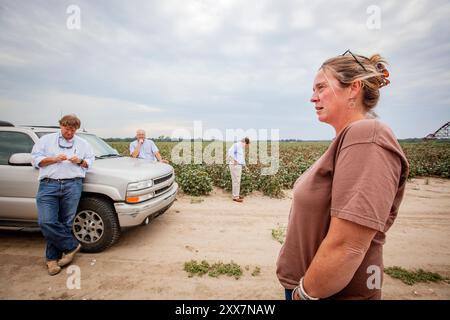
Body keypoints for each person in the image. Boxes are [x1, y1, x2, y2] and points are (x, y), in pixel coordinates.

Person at [276, 51, 409, 300]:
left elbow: (348, 245)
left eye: (321, 87)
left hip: (325, 294)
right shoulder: (350, 138)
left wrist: (304, 294)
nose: (312, 98)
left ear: (353, 88)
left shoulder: (368, 135)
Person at [31, 114, 95, 276]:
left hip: (73, 184)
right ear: (61, 126)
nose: (70, 132)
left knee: (65, 222)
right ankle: (72, 245)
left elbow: (89, 162)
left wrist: (79, 161)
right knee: (46, 221)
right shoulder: (46, 140)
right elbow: (35, 159)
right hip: (48, 185)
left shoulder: (83, 143)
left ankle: (52, 260)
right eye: (67, 128)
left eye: (73, 129)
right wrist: (53, 159)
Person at [227, 137, 250, 202]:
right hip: (235, 166)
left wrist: (245, 167)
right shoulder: (236, 145)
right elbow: (229, 152)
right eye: (246, 144)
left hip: (238, 166)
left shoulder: (240, 147)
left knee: (237, 181)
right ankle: (235, 197)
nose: (245, 146)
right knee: (236, 181)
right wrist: (234, 161)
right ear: (245, 142)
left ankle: (236, 195)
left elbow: (241, 159)